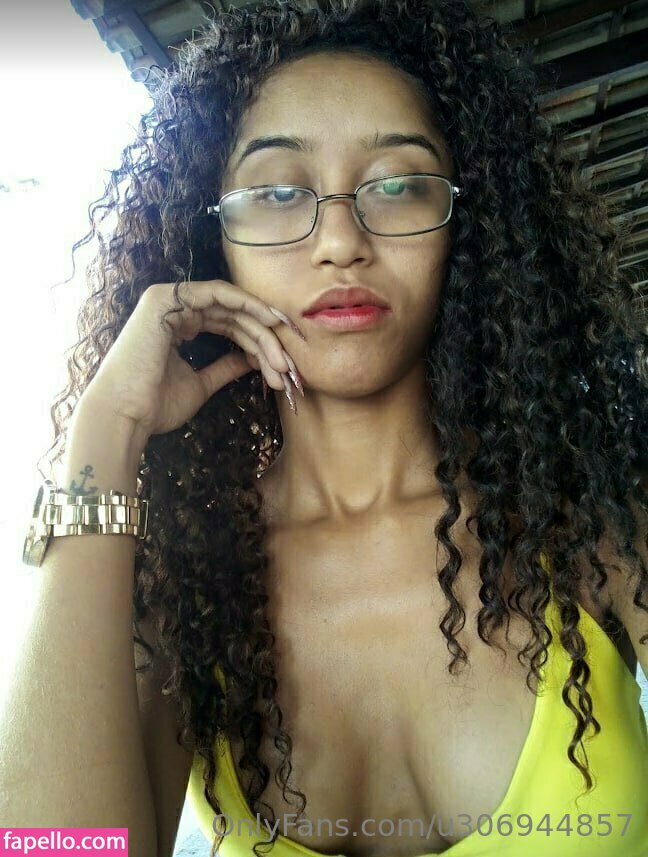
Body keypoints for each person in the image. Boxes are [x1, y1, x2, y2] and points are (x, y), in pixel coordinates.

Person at [2, 0, 648, 855]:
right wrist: (103, 436)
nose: (341, 240)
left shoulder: (595, 520)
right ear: (213, 242)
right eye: (277, 192)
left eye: (398, 183)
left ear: (469, 227)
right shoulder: (188, 589)